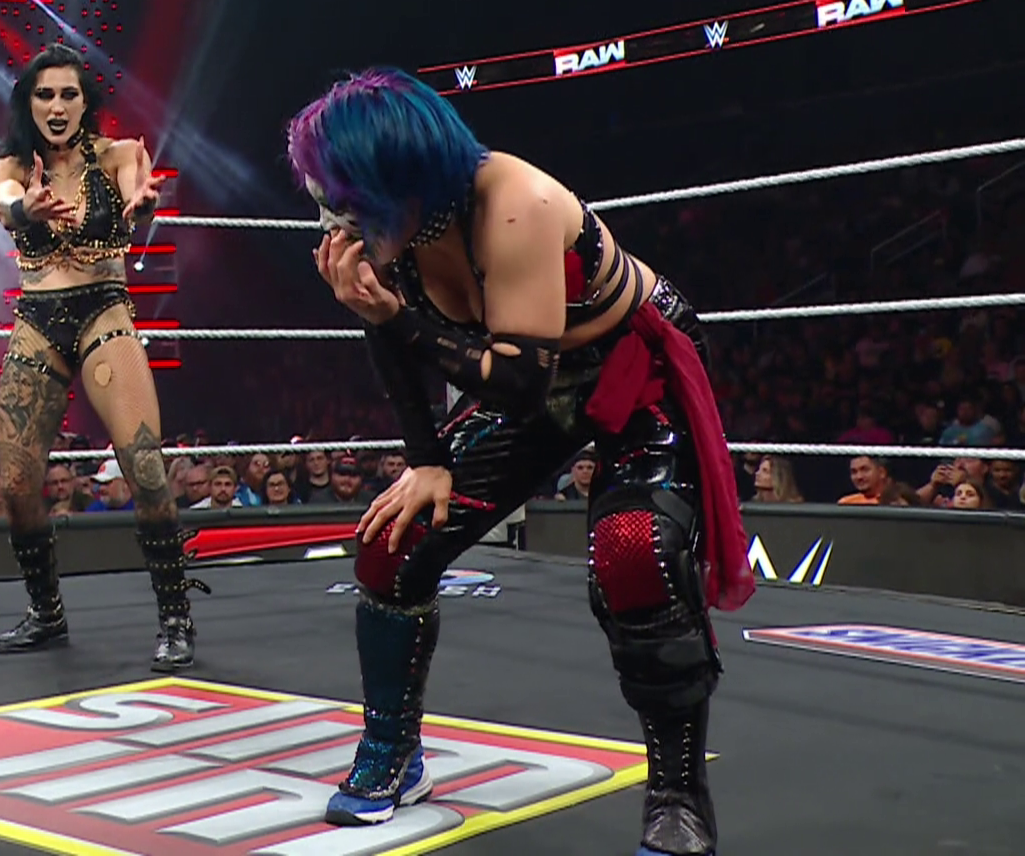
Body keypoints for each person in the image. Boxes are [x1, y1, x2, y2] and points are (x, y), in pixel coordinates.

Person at [288, 69, 752, 856]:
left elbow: (518, 381)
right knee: (393, 542)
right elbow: (390, 338)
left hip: (629, 371)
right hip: (519, 378)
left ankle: (678, 795)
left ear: (397, 180)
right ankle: (393, 753)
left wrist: (395, 317)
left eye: (343, 201)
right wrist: (426, 460)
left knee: (635, 552)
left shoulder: (516, 202)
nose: (333, 222)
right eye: (324, 202)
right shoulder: (389, 231)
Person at [0, 42, 204, 671]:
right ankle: (46, 613)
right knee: (16, 484)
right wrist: (24, 207)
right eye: (44, 94)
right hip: (39, 316)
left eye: (68, 94)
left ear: (86, 102)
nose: (56, 107)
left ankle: (175, 617)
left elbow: (137, 186)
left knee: (145, 465)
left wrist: (143, 200)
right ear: (28, 103)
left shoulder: (119, 154)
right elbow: (3, 203)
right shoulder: (7, 167)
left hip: (103, 309)